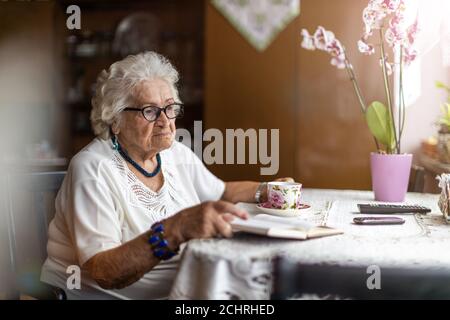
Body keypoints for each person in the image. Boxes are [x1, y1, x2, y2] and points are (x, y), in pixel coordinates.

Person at [41, 51, 293, 299]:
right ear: (115, 120)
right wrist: (177, 228)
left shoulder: (175, 154)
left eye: (170, 108)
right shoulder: (92, 168)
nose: (165, 121)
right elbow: (104, 271)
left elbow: (222, 191)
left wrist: (267, 190)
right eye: (149, 111)